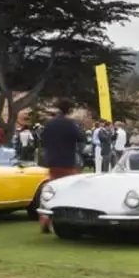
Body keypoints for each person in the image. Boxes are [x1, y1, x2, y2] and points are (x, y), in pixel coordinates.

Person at [40, 99, 85, 233]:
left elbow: (42, 139)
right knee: (68, 191)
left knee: (51, 190)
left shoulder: (50, 124)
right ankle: (67, 220)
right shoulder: (70, 124)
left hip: (53, 161)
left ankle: (45, 219)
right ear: (69, 110)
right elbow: (81, 138)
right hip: (67, 162)